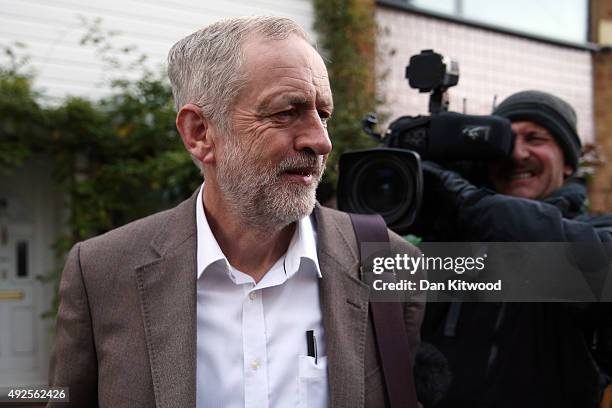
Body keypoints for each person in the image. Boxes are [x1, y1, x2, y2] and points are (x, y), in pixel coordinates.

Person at [47, 16, 424, 408]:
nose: (321, 140)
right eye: (285, 112)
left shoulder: (389, 262)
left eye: (322, 114)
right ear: (199, 133)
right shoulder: (102, 271)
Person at [417, 90, 612, 407]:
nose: (517, 154)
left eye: (535, 139)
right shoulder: (453, 239)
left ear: (567, 164)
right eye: (505, 142)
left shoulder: (598, 234)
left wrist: (469, 203)